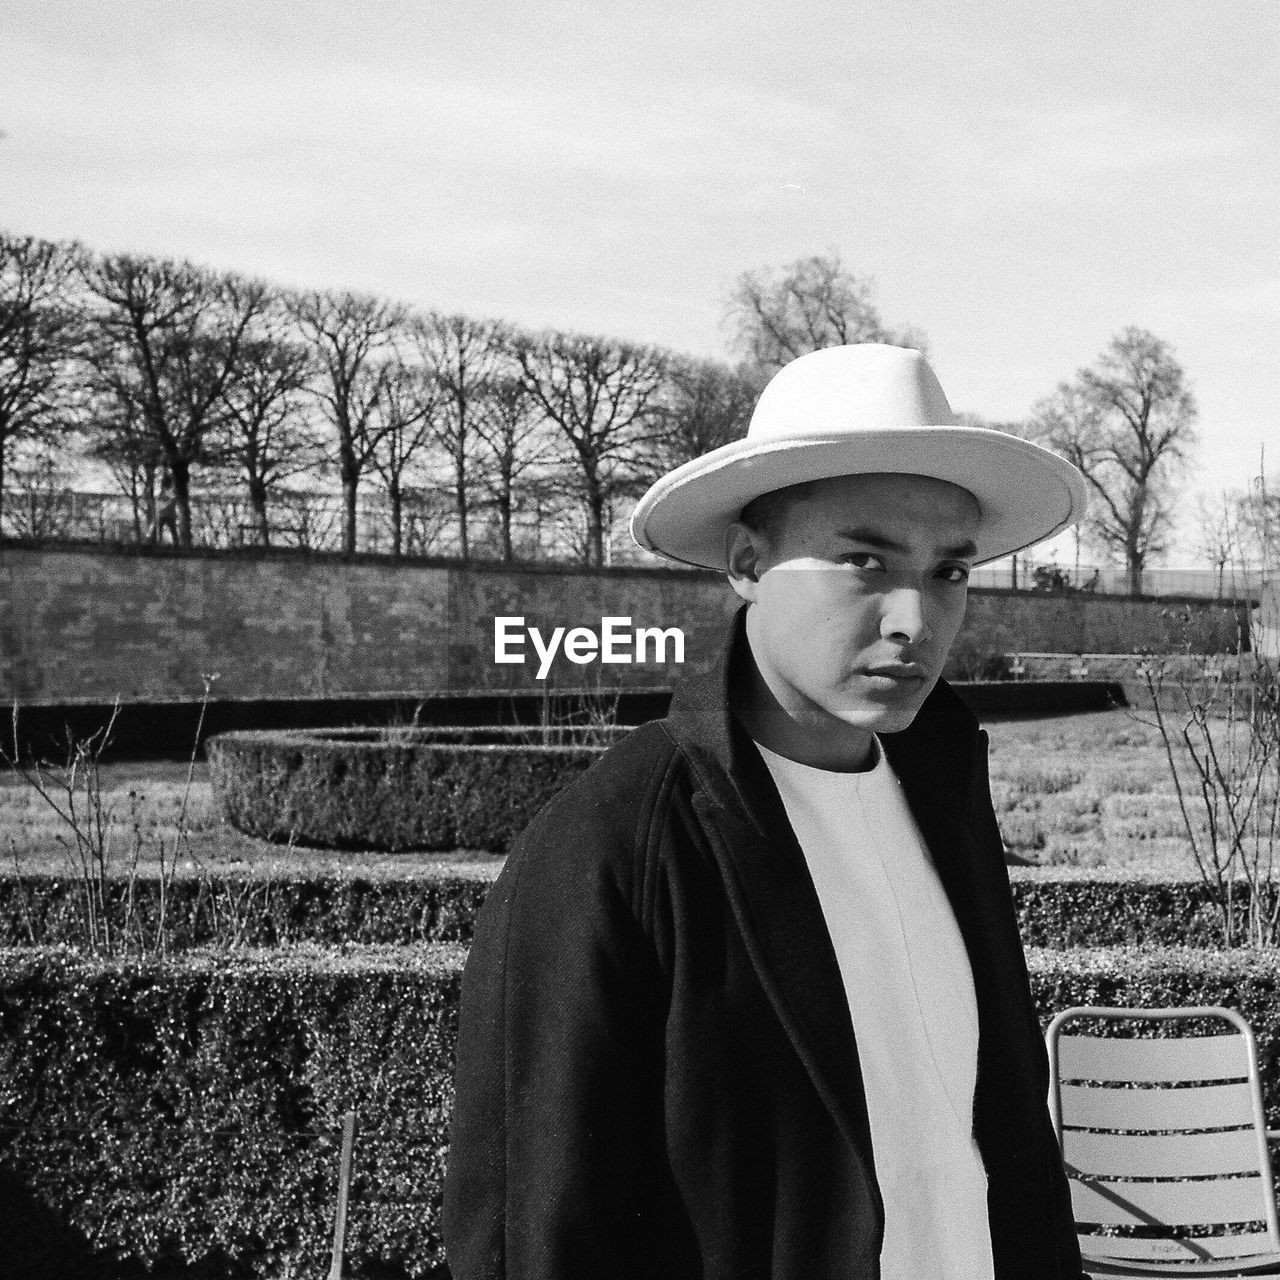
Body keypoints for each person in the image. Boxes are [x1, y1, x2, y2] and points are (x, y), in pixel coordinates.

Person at [443, 344, 1091, 1280]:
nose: (915, 617)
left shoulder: (947, 799)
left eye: (950, 571)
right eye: (863, 559)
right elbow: (538, 1233)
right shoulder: (612, 846)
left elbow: (1003, 1139)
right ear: (747, 563)